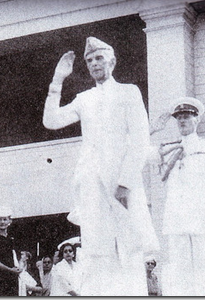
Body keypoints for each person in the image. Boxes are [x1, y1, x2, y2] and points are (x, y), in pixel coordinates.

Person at [41, 36, 159, 295]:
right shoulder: (85, 98)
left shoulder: (129, 92)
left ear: (112, 61)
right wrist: (58, 79)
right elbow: (51, 121)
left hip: (120, 181)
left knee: (127, 246)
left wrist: (125, 182)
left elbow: (140, 139)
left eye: (99, 58)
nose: (94, 63)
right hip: (91, 181)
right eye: (90, 60)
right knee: (96, 247)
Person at [149, 97, 205, 296]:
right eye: (179, 118)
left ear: (197, 120)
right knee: (179, 272)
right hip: (176, 220)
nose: (182, 121)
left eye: (187, 117)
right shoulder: (167, 149)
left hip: (203, 219)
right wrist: (153, 128)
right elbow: (139, 151)